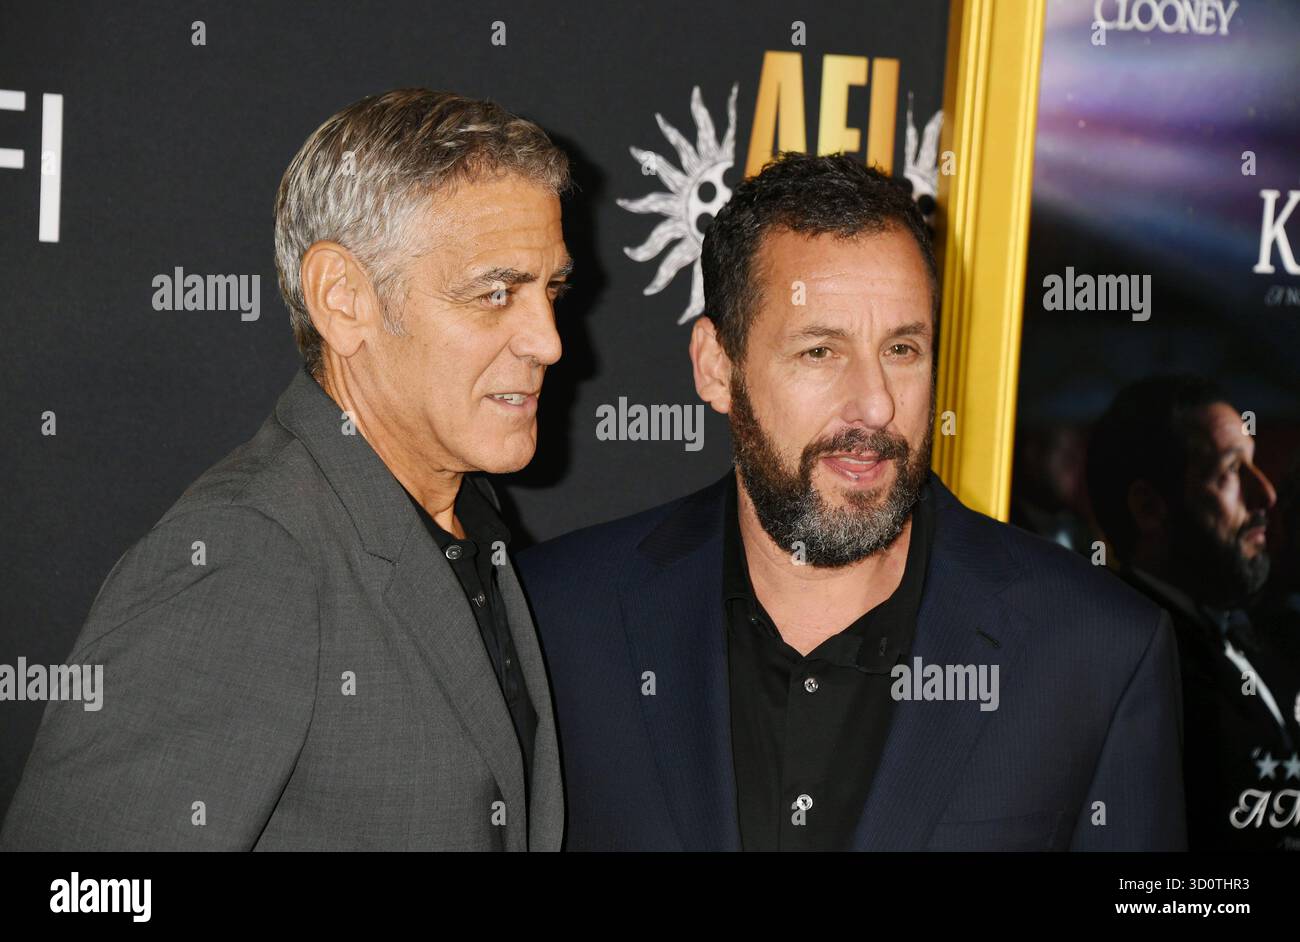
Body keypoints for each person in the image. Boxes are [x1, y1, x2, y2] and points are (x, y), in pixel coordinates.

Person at [517, 152, 1185, 851]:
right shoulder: (559, 621)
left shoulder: (1095, 650)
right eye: (820, 352)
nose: (875, 405)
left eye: (902, 349)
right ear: (717, 368)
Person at [1, 89, 573, 850]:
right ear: (343, 300)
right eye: (494, 293)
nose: (548, 340)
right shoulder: (251, 557)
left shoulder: (469, 508)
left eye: (552, 291)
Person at [1088, 375, 1300, 851]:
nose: (1265, 496)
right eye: (1231, 470)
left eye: (1255, 464)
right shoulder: (1124, 667)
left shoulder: (1259, 639)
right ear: (1149, 507)